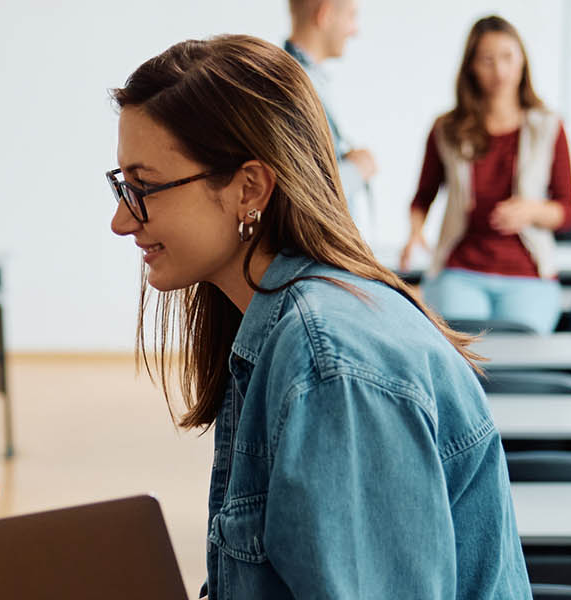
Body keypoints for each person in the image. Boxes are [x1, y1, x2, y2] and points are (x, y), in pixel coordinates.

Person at [107, 34, 529, 598]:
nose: (120, 220)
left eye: (144, 188)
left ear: (248, 188)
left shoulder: (331, 369)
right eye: (122, 186)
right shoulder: (282, 325)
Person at [404, 15, 571, 333]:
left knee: (524, 348)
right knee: (463, 348)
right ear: (470, 67)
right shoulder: (446, 129)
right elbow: (423, 197)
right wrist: (415, 232)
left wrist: (532, 211)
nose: (499, 71)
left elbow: (567, 212)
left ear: (523, 60)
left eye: (508, 57)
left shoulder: (548, 126)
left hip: (527, 273)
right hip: (461, 269)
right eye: (487, 60)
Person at [286, 0, 378, 233]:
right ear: (325, 14)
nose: (355, 30)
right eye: (352, 16)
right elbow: (300, 192)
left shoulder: (306, 79)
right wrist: (357, 169)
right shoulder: (292, 86)